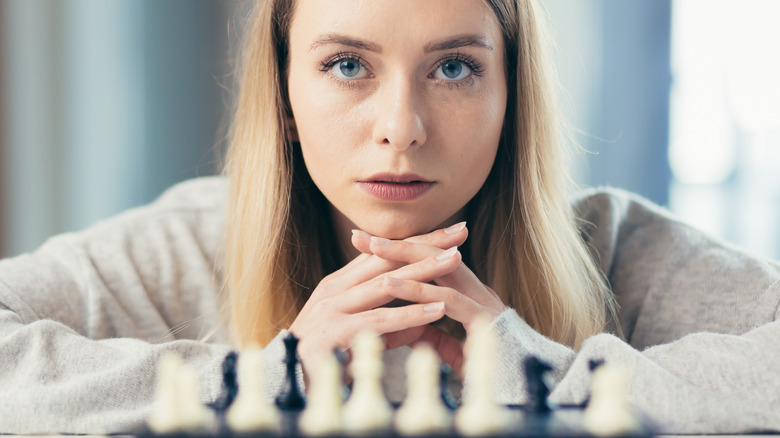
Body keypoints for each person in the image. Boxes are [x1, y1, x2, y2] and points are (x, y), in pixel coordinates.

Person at [0, 0, 778, 434]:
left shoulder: (618, 250)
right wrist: (263, 376)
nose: (401, 128)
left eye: (453, 68)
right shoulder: (189, 246)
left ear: (512, 97)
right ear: (285, 98)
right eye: (347, 65)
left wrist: (542, 376)